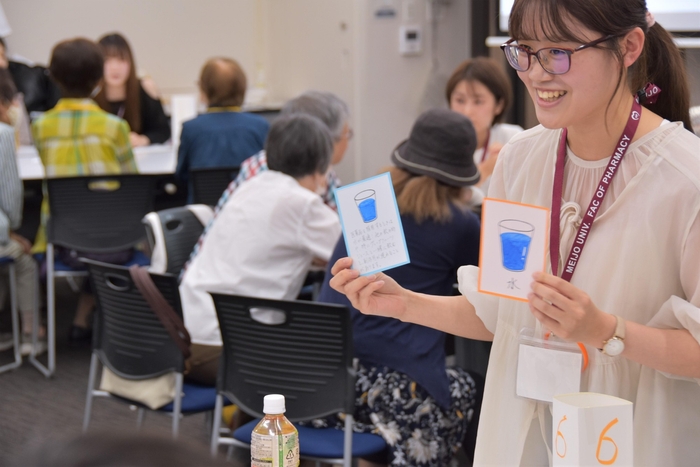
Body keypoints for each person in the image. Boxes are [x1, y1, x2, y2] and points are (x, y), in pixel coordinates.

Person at [330, 0, 700, 465]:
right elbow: (502, 312)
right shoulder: (521, 158)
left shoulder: (685, 179)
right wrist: (404, 303)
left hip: (633, 437)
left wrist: (607, 331)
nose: (537, 73)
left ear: (628, 47)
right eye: (524, 50)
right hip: (522, 428)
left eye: (559, 52)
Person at [315, 108, 481, 466]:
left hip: (326, 384)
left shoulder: (366, 208)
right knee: (474, 386)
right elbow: (484, 288)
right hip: (401, 390)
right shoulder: (460, 224)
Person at [179, 114, 341, 385]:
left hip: (186, 336)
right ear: (321, 167)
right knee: (335, 354)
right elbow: (356, 253)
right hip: (231, 350)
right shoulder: (301, 203)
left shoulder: (251, 185)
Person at [32, 38, 137, 344]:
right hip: (115, 241)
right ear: (99, 78)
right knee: (104, 238)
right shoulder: (115, 127)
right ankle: (106, 317)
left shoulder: (42, 127)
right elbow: (131, 182)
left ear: (54, 77)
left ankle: (59, 321)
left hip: (63, 241)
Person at [175, 57, 268, 201]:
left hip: (205, 210)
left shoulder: (191, 129)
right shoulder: (261, 126)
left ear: (204, 91)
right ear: (242, 89)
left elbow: (181, 176)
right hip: (251, 205)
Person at [0, 68, 44, 355]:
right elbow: (9, 196)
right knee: (22, 260)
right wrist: (14, 230)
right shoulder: (3, 135)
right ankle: (31, 333)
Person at [446, 56, 523, 203]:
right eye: (460, 100)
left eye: (478, 101)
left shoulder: (513, 139)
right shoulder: (439, 142)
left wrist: (509, 166)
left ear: (499, 105)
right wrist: (486, 169)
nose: (467, 111)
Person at [94, 33, 170, 147]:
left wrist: (143, 140)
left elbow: (163, 131)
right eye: (107, 60)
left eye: (121, 60)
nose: (115, 67)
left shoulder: (144, 89)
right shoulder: (91, 94)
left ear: (131, 62)